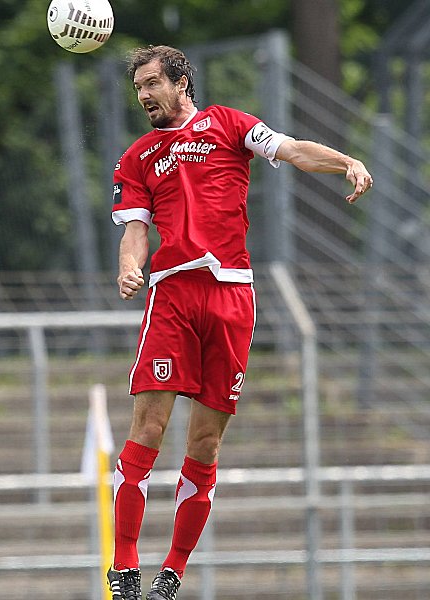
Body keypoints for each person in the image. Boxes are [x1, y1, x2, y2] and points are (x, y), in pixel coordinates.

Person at [107, 45, 373, 600]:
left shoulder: (229, 124)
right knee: (149, 428)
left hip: (231, 299)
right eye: (139, 89)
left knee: (204, 443)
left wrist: (344, 160)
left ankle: (172, 573)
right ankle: (125, 567)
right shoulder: (136, 158)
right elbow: (134, 231)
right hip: (174, 294)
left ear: (182, 82)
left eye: (153, 84)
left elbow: (292, 149)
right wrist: (131, 266)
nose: (145, 96)